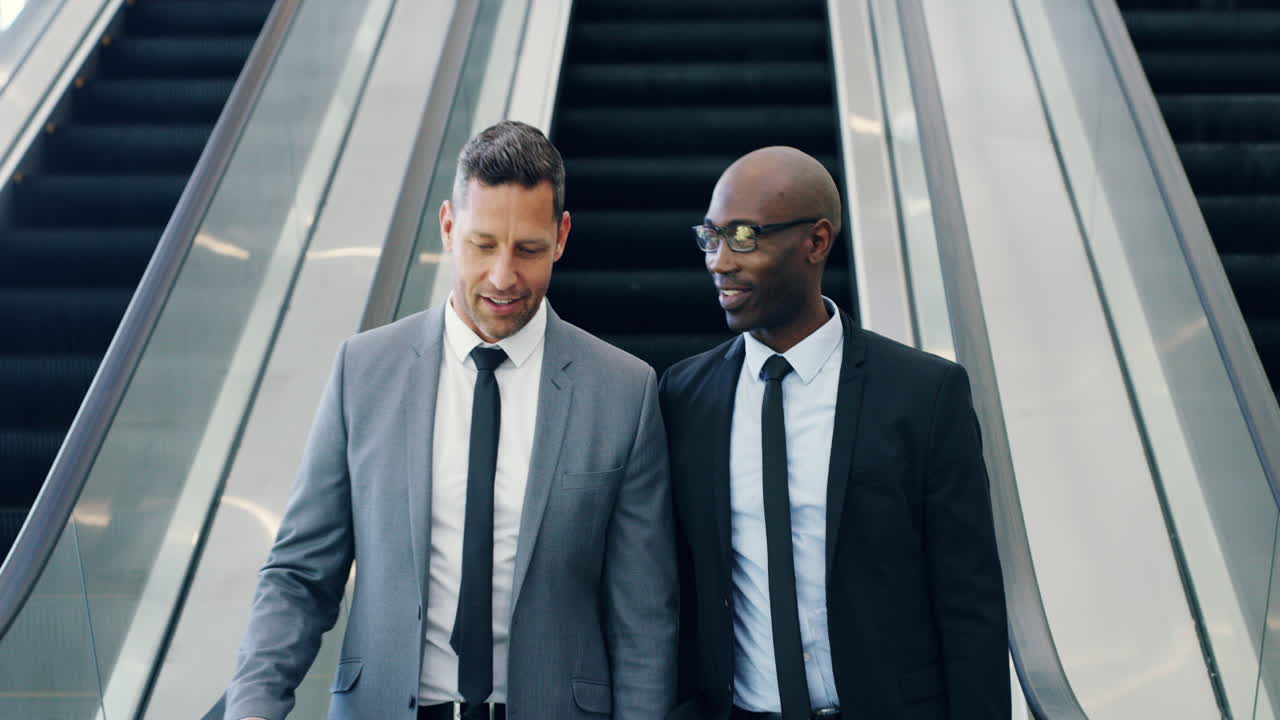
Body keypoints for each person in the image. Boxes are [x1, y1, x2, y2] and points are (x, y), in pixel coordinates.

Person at [225, 121, 677, 720]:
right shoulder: (363, 371)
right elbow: (299, 575)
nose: (502, 277)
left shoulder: (624, 390)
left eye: (529, 249)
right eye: (482, 244)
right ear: (447, 226)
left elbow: (644, 619)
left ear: (562, 236)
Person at [659, 147, 1008, 720]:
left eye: (744, 236)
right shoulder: (683, 397)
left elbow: (970, 605)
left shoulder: (925, 395)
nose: (719, 261)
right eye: (711, 236)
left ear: (816, 242)